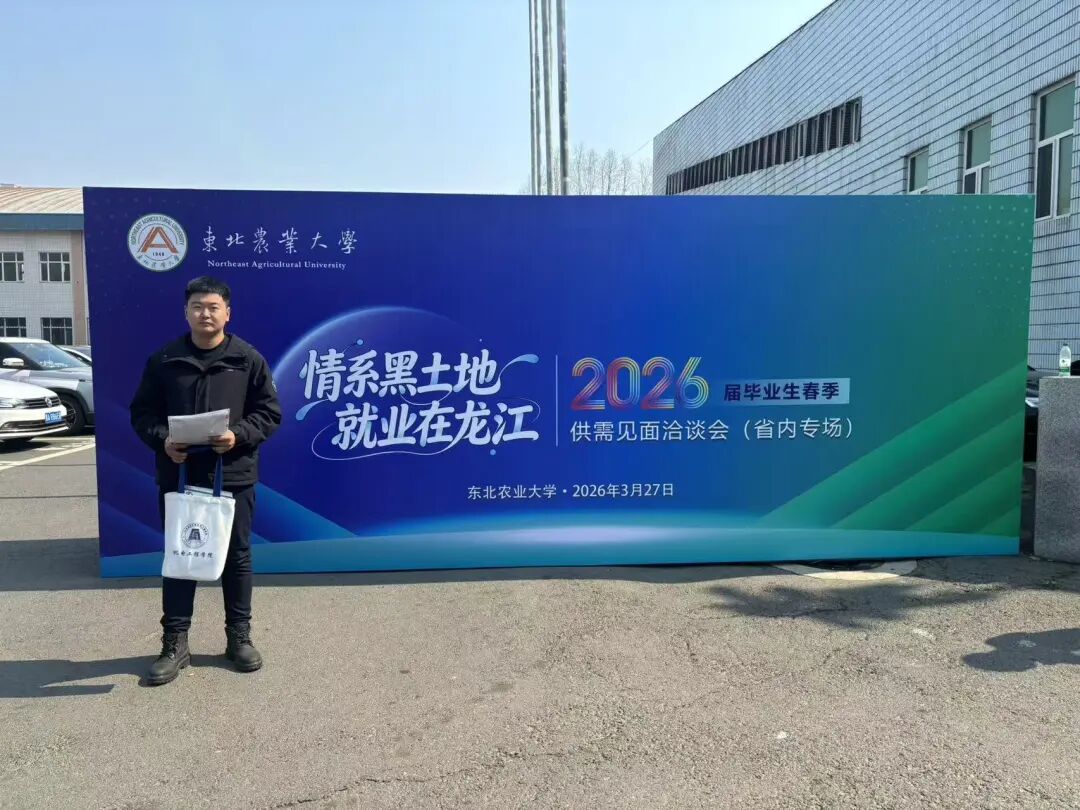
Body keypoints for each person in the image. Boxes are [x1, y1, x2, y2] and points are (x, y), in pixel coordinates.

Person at [130, 276, 282, 686]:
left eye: (213, 307)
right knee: (181, 556)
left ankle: (239, 638)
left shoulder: (247, 359)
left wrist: (238, 435)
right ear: (186, 312)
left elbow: (269, 413)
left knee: (237, 556)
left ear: (227, 313)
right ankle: (175, 643)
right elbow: (142, 414)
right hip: (180, 474)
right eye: (197, 306)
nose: (205, 314)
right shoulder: (165, 360)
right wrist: (164, 441)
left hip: (233, 474)